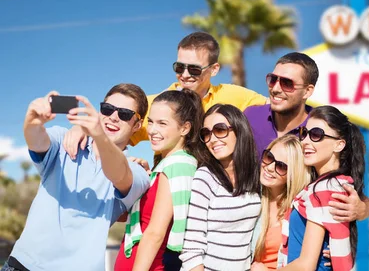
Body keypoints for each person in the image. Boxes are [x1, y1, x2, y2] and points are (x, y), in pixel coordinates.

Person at [2, 84, 151, 271]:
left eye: (125, 114)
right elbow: (37, 140)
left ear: (137, 125)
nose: (113, 117)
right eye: (108, 109)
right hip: (23, 266)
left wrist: (98, 136)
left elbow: (120, 175)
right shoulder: (63, 138)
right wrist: (32, 121)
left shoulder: (137, 171)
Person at [62, 31, 267, 156]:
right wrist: (83, 129)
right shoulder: (155, 104)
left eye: (194, 69)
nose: (185, 75)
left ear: (214, 69)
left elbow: (279, 106)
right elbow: (112, 121)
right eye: (179, 67)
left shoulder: (236, 96)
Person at [244, 52, 369, 223]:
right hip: (253, 228)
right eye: (273, 79)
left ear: (307, 91)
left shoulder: (323, 132)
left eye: (287, 83)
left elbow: (358, 195)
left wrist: (361, 209)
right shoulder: (251, 117)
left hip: (301, 233)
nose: (275, 88)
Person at [258, 105, 367, 271]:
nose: (305, 141)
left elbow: (306, 265)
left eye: (316, 135)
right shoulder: (333, 184)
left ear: (339, 145)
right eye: (304, 133)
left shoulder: (324, 189)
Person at [113, 89, 204, 271]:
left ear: (185, 128)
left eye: (162, 123)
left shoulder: (177, 165)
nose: (153, 131)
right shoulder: (167, 165)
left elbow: (155, 233)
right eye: (151, 122)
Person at [180, 104, 262, 271]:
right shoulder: (205, 177)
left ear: (239, 130)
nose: (213, 139)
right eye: (206, 133)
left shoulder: (255, 175)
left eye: (220, 130)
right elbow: (192, 246)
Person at [250, 135, 312, 270]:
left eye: (281, 166)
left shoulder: (300, 211)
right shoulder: (250, 198)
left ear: (293, 174)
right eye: (269, 157)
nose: (270, 167)